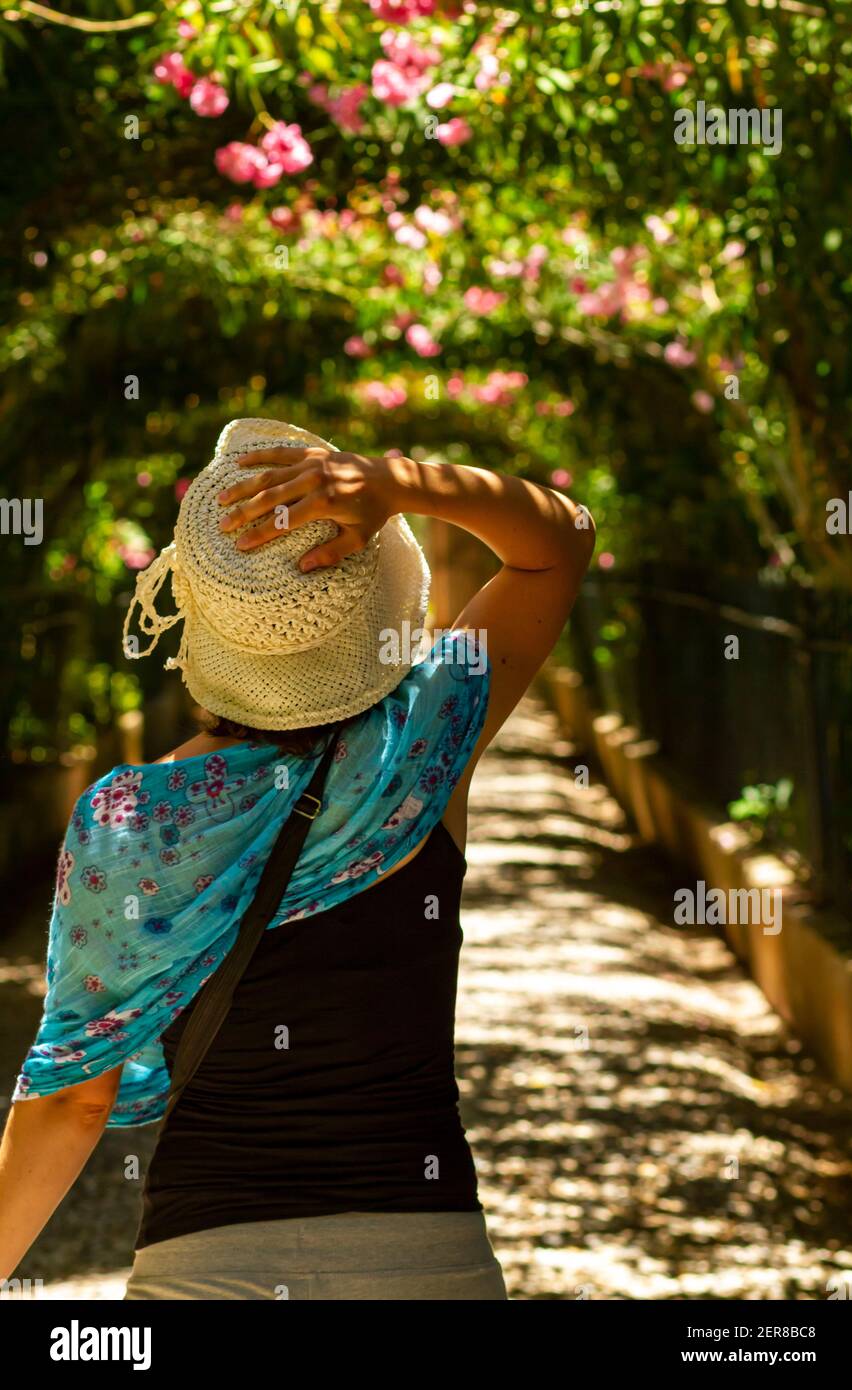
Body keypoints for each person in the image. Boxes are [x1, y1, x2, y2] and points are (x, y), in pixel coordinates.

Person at [0, 417, 594, 1300]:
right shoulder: (426, 742)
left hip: (206, 1267)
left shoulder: (126, 821)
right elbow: (559, 541)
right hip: (428, 1261)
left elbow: (75, 1103)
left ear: (197, 613)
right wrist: (398, 482)